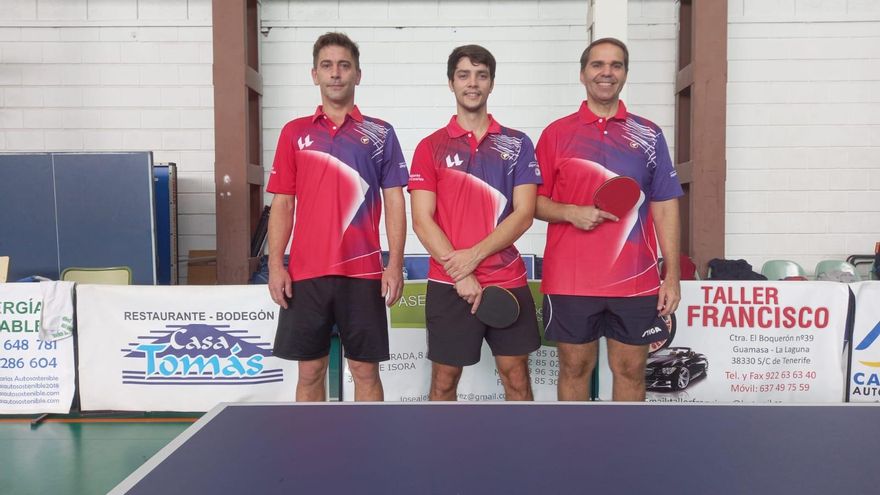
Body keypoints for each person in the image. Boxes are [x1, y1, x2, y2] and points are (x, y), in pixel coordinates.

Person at [535, 37, 683, 401]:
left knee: (631, 370)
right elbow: (531, 204)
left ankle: (624, 440)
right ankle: (576, 440)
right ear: (582, 74)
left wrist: (672, 275)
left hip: (635, 280)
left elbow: (665, 205)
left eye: (616, 65)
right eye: (598, 65)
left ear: (625, 74)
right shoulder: (556, 134)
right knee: (574, 369)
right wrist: (570, 212)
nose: (607, 72)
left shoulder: (649, 135)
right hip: (570, 279)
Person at [266, 32, 408, 401]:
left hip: (362, 273)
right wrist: (276, 265)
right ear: (314, 74)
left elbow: (395, 200)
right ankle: (311, 442)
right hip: (305, 273)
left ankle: (368, 440)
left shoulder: (381, 133)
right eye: (327, 66)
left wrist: (394, 264)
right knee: (310, 371)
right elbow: (283, 204)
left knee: (365, 371)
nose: (335, 73)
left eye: (344, 66)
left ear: (358, 74)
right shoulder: (294, 132)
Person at [409, 45, 542, 401]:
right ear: (451, 83)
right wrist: (460, 273)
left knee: (516, 377)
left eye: (481, 76)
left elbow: (524, 213)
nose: (473, 83)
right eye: (464, 75)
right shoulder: (430, 147)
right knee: (444, 381)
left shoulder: (518, 144)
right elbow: (422, 220)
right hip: (448, 282)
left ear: (491, 83)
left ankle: (523, 441)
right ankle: (444, 443)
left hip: (506, 279)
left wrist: (473, 257)